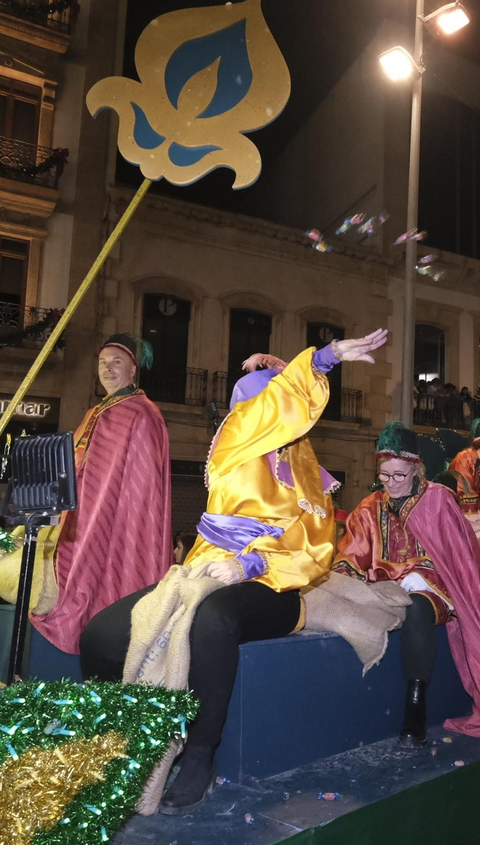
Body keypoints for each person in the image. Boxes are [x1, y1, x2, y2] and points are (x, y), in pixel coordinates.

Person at [79, 329, 388, 815]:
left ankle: (201, 751)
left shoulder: (309, 473)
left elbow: (317, 546)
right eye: (248, 408)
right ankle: (119, 735)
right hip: (204, 570)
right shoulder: (234, 446)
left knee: (214, 620)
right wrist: (317, 362)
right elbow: (273, 409)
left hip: (277, 584)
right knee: (99, 634)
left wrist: (251, 562)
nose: (252, 416)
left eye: (263, 403)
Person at [333, 423, 480, 800]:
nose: (390, 482)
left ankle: (415, 708)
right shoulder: (370, 508)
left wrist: (418, 575)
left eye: (399, 475)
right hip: (383, 589)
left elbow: (458, 557)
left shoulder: (437, 498)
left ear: (416, 469)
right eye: (384, 475)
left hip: (434, 588)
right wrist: (349, 580)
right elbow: (350, 556)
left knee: (417, 608)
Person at [37, 335, 172, 658]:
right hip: (79, 513)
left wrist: (106, 506)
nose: (108, 369)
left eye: (116, 363)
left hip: (117, 517)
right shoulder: (96, 411)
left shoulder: (141, 413)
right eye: (102, 363)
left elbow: (142, 488)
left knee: (108, 572)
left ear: (133, 370)